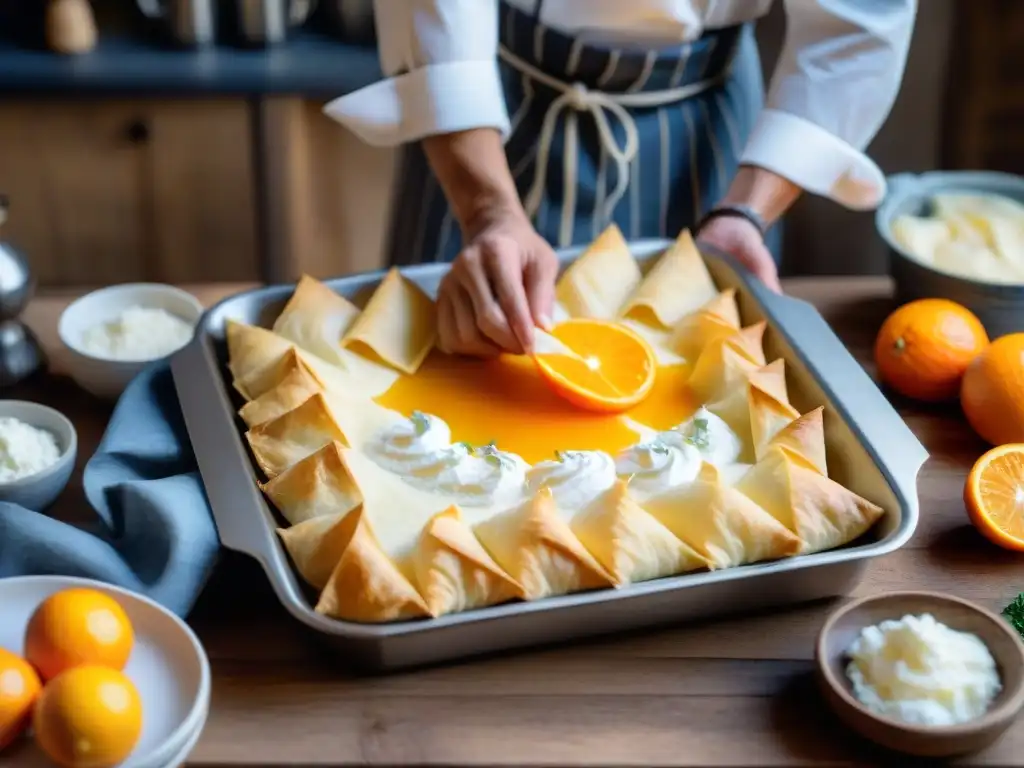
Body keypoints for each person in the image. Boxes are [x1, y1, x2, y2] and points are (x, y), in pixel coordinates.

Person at [326, 0, 916, 357]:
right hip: (484, 111)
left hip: (707, 136)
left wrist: (745, 212)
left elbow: (859, 23)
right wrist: (486, 211)